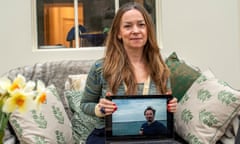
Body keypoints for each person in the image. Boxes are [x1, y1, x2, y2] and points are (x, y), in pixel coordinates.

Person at [80, 2, 177, 144]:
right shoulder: (101, 67)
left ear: (148, 30)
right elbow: (85, 104)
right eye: (127, 26)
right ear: (118, 33)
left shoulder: (161, 68)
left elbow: (164, 104)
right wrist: (100, 109)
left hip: (152, 138)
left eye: (141, 25)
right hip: (107, 136)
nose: (136, 30)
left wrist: (170, 107)